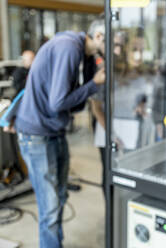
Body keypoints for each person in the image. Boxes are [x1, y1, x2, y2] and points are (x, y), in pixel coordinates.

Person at [15, 18, 106, 248]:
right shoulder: (69, 48)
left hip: (53, 131)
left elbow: (66, 100)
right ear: (98, 37)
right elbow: (58, 102)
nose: (117, 49)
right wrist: (94, 84)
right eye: (114, 42)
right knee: (50, 208)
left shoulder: (81, 53)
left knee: (61, 196)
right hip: (37, 135)